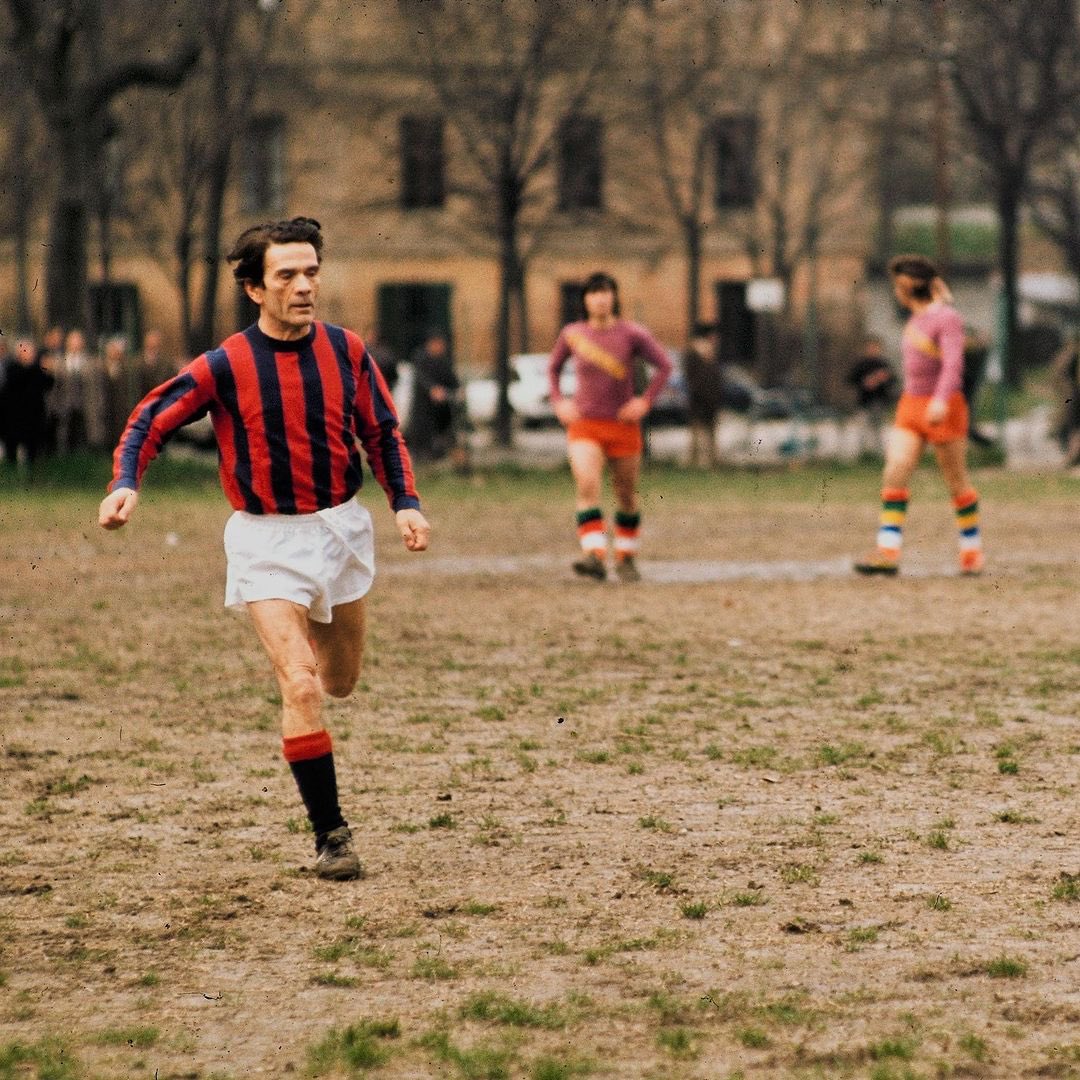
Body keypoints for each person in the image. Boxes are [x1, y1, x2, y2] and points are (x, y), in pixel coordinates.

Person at [98, 216, 431, 881]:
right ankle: (331, 836)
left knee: (339, 682)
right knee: (300, 680)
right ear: (255, 287)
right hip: (265, 538)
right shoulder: (226, 364)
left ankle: (312, 658)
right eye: (287, 275)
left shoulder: (347, 351)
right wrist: (126, 481)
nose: (305, 286)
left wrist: (407, 504)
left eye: (312, 272)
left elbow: (384, 433)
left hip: (340, 530)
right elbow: (150, 417)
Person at [854, 254, 983, 577]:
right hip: (911, 405)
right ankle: (887, 551)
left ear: (906, 287)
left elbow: (953, 364)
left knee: (956, 482)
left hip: (944, 406)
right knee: (896, 469)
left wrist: (940, 400)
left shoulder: (947, 319)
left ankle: (971, 549)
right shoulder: (918, 318)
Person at [548, 271, 672, 582]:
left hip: (622, 426)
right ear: (585, 300)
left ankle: (626, 557)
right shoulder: (572, 333)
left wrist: (644, 402)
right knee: (587, 484)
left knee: (626, 494)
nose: (601, 298)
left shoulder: (632, 334)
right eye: (594, 293)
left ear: (615, 297)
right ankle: (594, 555)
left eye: (606, 292)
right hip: (585, 425)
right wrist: (559, 401)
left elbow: (664, 366)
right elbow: (552, 368)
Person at [0, 337, 53, 470]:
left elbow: (48, 384)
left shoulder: (38, 370)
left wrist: (47, 371)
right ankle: (11, 471)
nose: (29, 354)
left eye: (31, 352)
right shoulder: (12, 369)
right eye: (25, 351)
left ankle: (32, 472)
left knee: (33, 448)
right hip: (14, 416)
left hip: (34, 415)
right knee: (12, 446)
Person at [406, 329, 459, 461]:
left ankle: (438, 452)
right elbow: (421, 377)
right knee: (422, 430)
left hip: (440, 406)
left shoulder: (443, 361)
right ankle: (420, 454)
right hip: (423, 403)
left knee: (442, 428)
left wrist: (457, 388)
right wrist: (432, 389)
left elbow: (451, 378)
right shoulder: (420, 358)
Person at [845, 335, 897, 455]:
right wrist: (865, 382)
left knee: (879, 428)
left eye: (876, 347)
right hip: (864, 401)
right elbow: (850, 379)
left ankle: (879, 454)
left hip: (880, 401)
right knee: (862, 428)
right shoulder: (861, 364)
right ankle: (862, 453)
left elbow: (893, 380)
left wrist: (884, 378)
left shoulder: (884, 364)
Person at [683, 322, 724, 468]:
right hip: (700, 398)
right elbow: (694, 378)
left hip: (710, 399)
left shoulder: (710, 352)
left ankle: (710, 460)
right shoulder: (695, 353)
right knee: (698, 432)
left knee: (709, 431)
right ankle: (698, 461)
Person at [54, 328, 91, 453]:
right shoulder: (60, 362)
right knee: (66, 433)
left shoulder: (90, 362)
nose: (75, 344)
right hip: (66, 404)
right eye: (73, 341)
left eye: (78, 341)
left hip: (85, 404)